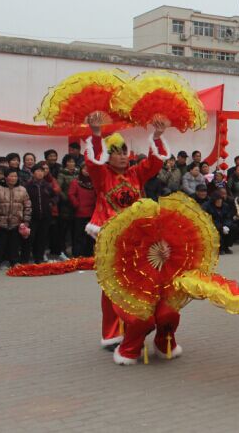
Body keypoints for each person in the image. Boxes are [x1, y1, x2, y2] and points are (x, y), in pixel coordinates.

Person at [84, 112, 170, 349]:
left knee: (139, 282)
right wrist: (96, 135)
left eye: (124, 152)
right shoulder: (102, 176)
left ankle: (137, 326)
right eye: (116, 153)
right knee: (112, 287)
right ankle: (112, 334)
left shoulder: (135, 174)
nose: (122, 157)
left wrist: (158, 135)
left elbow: (155, 163)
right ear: (108, 156)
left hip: (136, 239)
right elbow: (92, 162)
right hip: (109, 239)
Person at [0, 170, 31, 270]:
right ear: (6, 177)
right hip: (0, 222)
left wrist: (26, 220)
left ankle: (14, 262)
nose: (14, 178)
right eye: (11, 176)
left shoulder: (22, 189)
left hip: (16, 222)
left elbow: (27, 206)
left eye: (15, 176)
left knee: (14, 244)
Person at [24, 163, 56, 264]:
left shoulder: (47, 185)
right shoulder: (27, 186)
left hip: (45, 216)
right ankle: (24, 260)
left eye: (42, 171)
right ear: (33, 173)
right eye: (37, 171)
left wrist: (52, 203)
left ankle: (39, 259)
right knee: (29, 239)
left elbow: (56, 196)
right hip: (32, 217)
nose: (40, 173)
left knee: (41, 239)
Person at [68, 164, 96, 257]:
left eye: (89, 169)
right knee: (78, 236)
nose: (87, 171)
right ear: (81, 170)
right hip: (79, 213)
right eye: (85, 169)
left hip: (92, 213)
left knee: (90, 236)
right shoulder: (75, 182)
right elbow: (71, 194)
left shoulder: (94, 182)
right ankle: (77, 255)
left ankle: (88, 254)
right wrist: (77, 205)